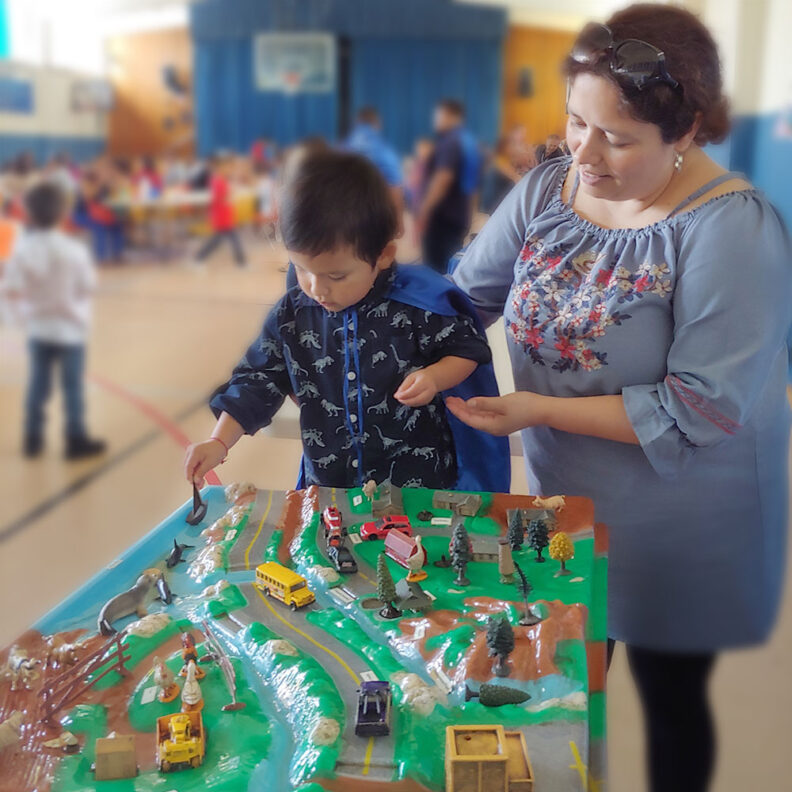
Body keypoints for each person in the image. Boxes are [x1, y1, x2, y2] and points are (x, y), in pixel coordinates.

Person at [447, 6, 791, 792]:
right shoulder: (548, 191)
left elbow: (702, 407)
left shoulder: (731, 231)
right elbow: (464, 298)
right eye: (576, 122)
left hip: (686, 518)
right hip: (568, 505)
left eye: (618, 137)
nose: (586, 153)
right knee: (560, 686)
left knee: (670, 699)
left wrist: (537, 410)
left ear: (687, 132)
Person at [184, 150, 509, 493]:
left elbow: (467, 349)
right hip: (331, 487)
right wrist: (218, 443)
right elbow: (256, 380)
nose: (316, 288)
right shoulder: (292, 315)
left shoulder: (420, 306)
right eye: (301, 268)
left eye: (336, 276)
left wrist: (435, 376)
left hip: (417, 484)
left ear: (383, 255)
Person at [3, 180, 106, 459]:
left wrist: (22, 316)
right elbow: (86, 287)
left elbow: (10, 289)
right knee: (72, 387)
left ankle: (32, 437)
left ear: (28, 213)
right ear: (62, 213)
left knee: (38, 383)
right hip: (70, 329)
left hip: (39, 328)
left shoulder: (22, 250)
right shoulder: (73, 250)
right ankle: (75, 439)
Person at [418, 99, 478, 274]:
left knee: (435, 269)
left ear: (449, 115)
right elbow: (473, 185)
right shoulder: (468, 140)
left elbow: (443, 179)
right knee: (450, 265)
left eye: (437, 116)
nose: (435, 121)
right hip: (459, 214)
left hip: (443, 217)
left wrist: (424, 210)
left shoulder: (450, 142)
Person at [344, 106, 404, 232]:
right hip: (374, 219)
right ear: (377, 124)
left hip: (343, 219)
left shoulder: (340, 150)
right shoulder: (384, 150)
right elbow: (394, 188)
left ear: (357, 123)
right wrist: (398, 220)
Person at [194, 151, 246, 267]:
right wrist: (229, 196)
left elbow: (225, 195)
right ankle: (241, 263)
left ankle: (199, 258)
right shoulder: (217, 181)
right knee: (227, 239)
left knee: (218, 241)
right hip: (221, 216)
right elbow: (219, 199)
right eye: (226, 166)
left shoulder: (220, 180)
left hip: (224, 215)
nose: (228, 168)